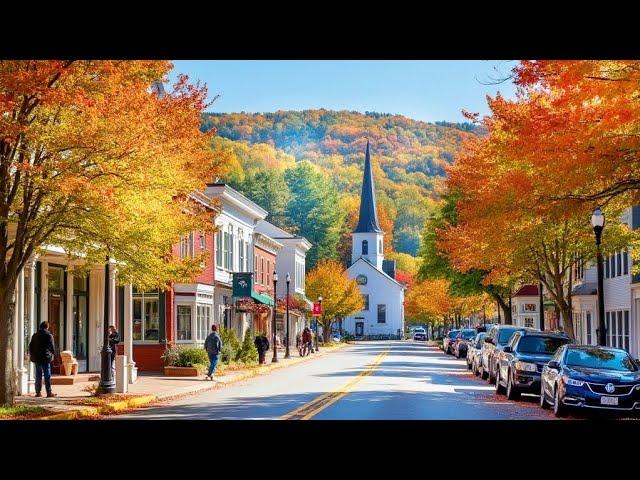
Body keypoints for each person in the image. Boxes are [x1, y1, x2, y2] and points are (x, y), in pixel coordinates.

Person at [28, 321, 56, 398]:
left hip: (37, 358)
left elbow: (30, 347)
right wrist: (52, 355)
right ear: (47, 327)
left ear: (40, 327)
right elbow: (52, 348)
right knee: (47, 375)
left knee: (38, 375)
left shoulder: (35, 335)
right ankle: (49, 392)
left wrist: (32, 355)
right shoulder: (49, 335)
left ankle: (38, 392)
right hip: (46, 358)